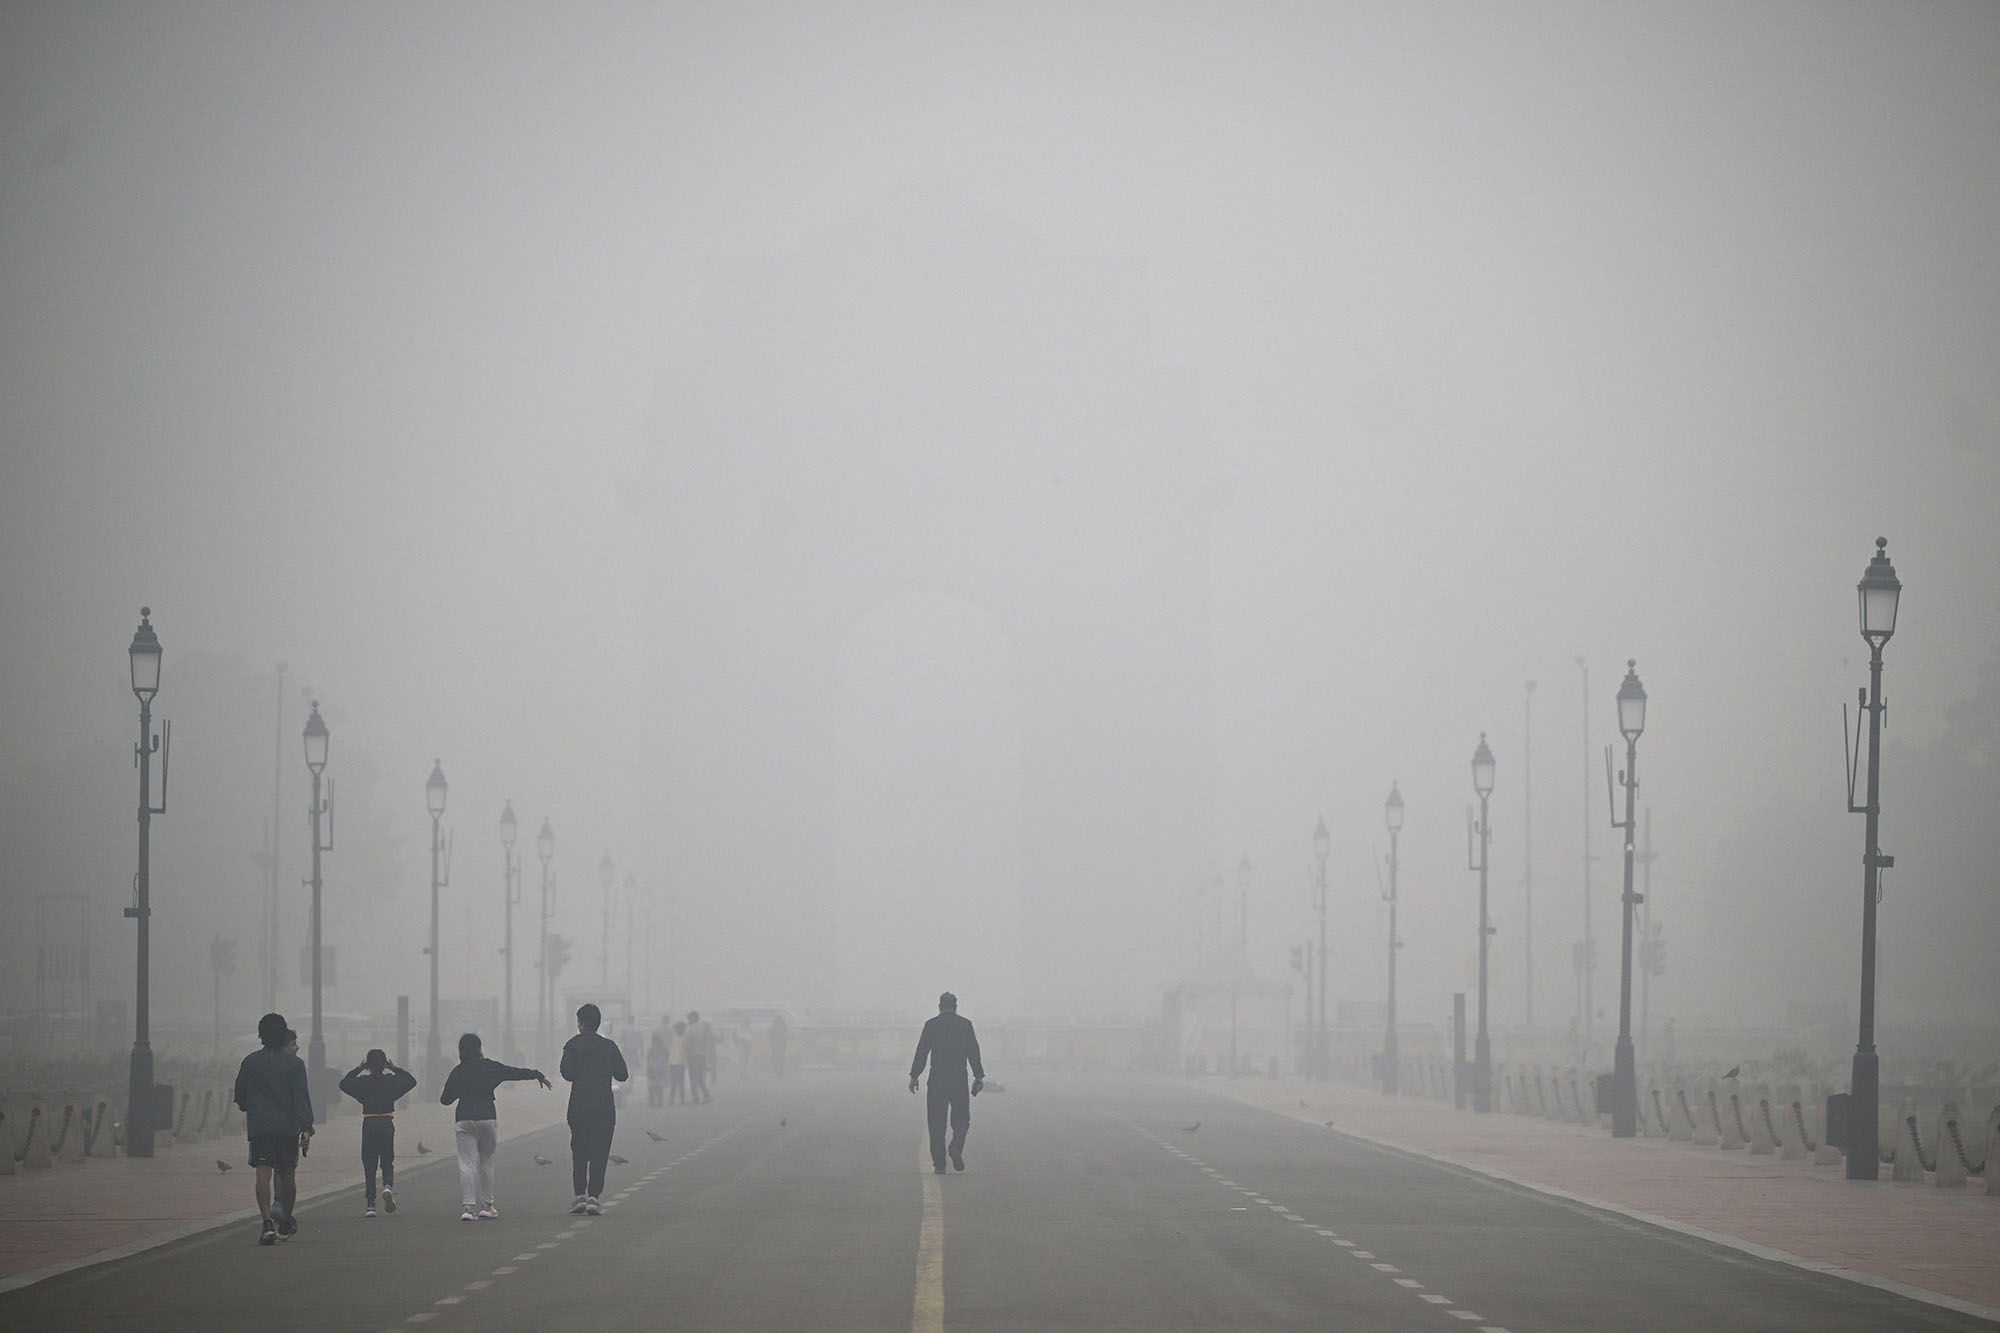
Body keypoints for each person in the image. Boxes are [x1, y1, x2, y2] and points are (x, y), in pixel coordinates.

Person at [438, 1032, 550, 1221]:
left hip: (464, 1119)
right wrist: (537, 1075)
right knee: (487, 1161)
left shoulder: (458, 1071)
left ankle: (468, 1208)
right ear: (479, 1048)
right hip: (487, 1118)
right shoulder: (490, 1067)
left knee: (467, 1164)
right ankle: (487, 1206)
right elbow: (513, 1072)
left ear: (461, 1051)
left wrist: (462, 1089)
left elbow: (445, 1100)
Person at [233, 1011, 315, 1245]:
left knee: (262, 1170)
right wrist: (306, 1127)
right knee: (287, 1173)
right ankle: (285, 1221)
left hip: (260, 1126)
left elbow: (240, 1097)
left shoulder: (250, 1061)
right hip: (287, 1127)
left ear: (261, 1035)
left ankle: (266, 1223)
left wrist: (255, 1107)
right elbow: (301, 1098)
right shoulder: (295, 1064)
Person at [561, 1003, 630, 1215]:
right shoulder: (609, 1046)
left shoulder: (571, 1046)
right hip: (603, 1105)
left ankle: (579, 1196)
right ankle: (593, 1197)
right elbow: (622, 1075)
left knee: (579, 1150)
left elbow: (566, 1073)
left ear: (581, 1023)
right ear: (598, 1023)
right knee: (600, 1151)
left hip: (578, 1104)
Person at [908, 991, 984, 1175]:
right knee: (961, 1119)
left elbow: (922, 1051)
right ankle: (956, 1146)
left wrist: (914, 1075)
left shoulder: (931, 1025)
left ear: (939, 1006)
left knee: (936, 1123)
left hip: (937, 1081)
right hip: (958, 1079)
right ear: (956, 1007)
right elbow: (973, 1051)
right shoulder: (965, 1025)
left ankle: (940, 1164)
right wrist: (978, 1076)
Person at [338, 1049, 416, 1217]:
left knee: (370, 1163)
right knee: (387, 1160)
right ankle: (387, 1186)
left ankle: (371, 1204)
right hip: (386, 1122)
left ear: (368, 1065)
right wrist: (394, 1068)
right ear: (384, 1064)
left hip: (369, 1122)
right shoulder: (391, 1081)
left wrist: (359, 1069)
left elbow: (344, 1084)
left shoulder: (363, 1082)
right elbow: (411, 1081)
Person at [685, 1010, 714, 1105]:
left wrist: (686, 1056)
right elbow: (707, 1042)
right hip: (702, 1055)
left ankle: (697, 1097)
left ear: (692, 1018)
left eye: (689, 1018)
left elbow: (687, 1045)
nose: (688, 1020)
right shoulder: (703, 1028)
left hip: (693, 1056)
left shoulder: (690, 1029)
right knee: (700, 1077)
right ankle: (707, 1095)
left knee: (693, 1078)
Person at [645, 1027, 669, 1107]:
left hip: (654, 1069)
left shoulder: (651, 1048)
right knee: (659, 1086)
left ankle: (653, 1102)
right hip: (659, 1069)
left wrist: (652, 1065)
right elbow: (666, 1058)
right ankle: (659, 1102)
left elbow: (648, 1059)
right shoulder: (663, 1047)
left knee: (652, 1086)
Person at [668, 1020, 688, 1105]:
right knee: (675, 1082)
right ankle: (673, 1099)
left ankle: (681, 1099)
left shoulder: (682, 1037)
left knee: (679, 1082)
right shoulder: (674, 1037)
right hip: (674, 1063)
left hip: (679, 1063)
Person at [770, 1013, 789, 1077]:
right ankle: (780, 1071)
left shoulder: (774, 1027)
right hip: (782, 1045)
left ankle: (777, 1070)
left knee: (776, 1058)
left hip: (775, 1045)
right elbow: (786, 1035)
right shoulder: (784, 1026)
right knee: (781, 1058)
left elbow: (770, 1035)